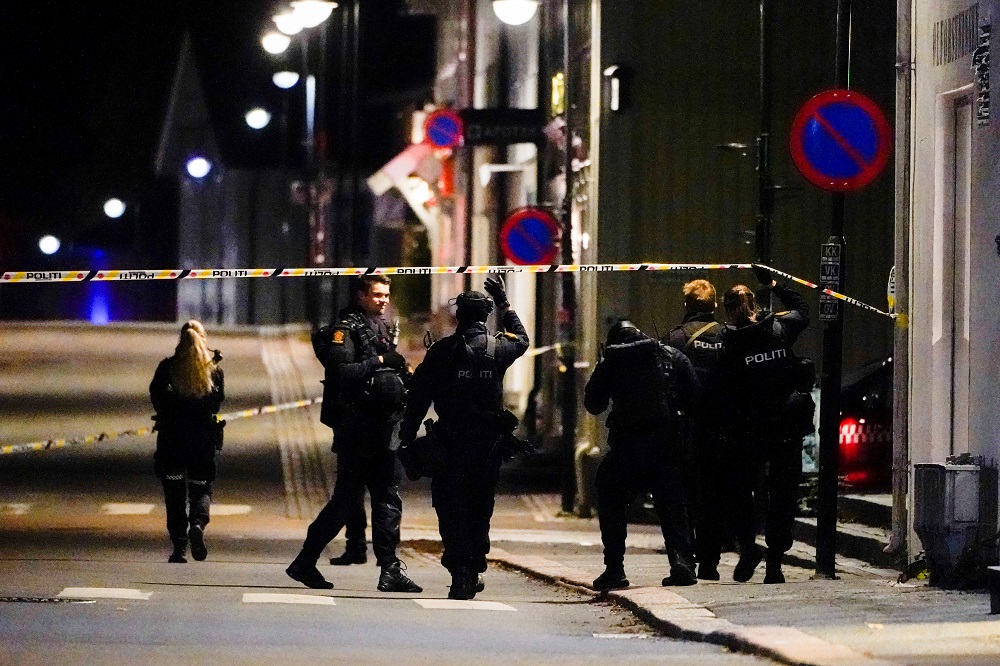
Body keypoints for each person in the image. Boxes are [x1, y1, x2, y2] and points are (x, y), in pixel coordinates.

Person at [286, 275, 421, 593]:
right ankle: (305, 561)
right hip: (357, 428)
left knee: (387, 497)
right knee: (345, 502)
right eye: (376, 295)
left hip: (384, 426)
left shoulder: (382, 326)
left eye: (386, 295)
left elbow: (390, 370)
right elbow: (339, 373)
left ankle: (389, 568)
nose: (383, 300)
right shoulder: (345, 329)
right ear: (360, 296)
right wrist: (379, 361)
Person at [399, 277, 529, 600]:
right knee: (480, 505)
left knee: (450, 504)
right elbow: (523, 340)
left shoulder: (442, 352)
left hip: (451, 443)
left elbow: (418, 399)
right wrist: (505, 303)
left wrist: (405, 437)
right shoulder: (498, 348)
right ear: (485, 316)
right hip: (487, 446)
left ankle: (460, 569)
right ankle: (473, 565)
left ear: (459, 317)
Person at [585, 319, 700, 590]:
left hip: (627, 447)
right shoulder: (672, 356)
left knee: (610, 497)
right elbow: (695, 398)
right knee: (673, 504)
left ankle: (614, 568)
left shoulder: (612, 360)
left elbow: (593, 404)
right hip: (665, 445)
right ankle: (681, 561)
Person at [719, 265, 810, 584]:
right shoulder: (781, 328)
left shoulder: (728, 344)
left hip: (748, 429)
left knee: (740, 491)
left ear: (728, 312)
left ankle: (748, 548)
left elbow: (720, 390)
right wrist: (774, 283)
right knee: (783, 493)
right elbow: (803, 310)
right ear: (755, 305)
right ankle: (775, 563)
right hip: (785, 424)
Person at [664, 279, 728, 581]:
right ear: (714, 305)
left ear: (687, 306)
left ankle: (686, 559)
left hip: (685, 429)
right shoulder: (729, 337)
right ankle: (711, 562)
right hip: (723, 429)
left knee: (686, 496)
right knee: (715, 495)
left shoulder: (675, 339)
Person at [150, 320, 225, 564]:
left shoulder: (167, 368)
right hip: (202, 440)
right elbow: (216, 403)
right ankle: (197, 524)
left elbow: (156, 397)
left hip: (172, 440)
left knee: (174, 494)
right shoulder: (213, 370)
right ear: (204, 338)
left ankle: (179, 547)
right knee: (201, 488)